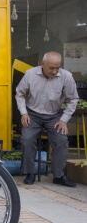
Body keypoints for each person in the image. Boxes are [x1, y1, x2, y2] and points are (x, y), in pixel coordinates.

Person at [16, 52, 78, 187]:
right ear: (42, 64)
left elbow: (73, 99)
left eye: (57, 68)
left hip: (55, 115)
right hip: (32, 113)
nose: (55, 71)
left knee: (61, 140)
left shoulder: (66, 76)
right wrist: (23, 113)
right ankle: (30, 173)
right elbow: (19, 94)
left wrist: (64, 119)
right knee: (27, 139)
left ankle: (59, 176)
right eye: (51, 68)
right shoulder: (30, 74)